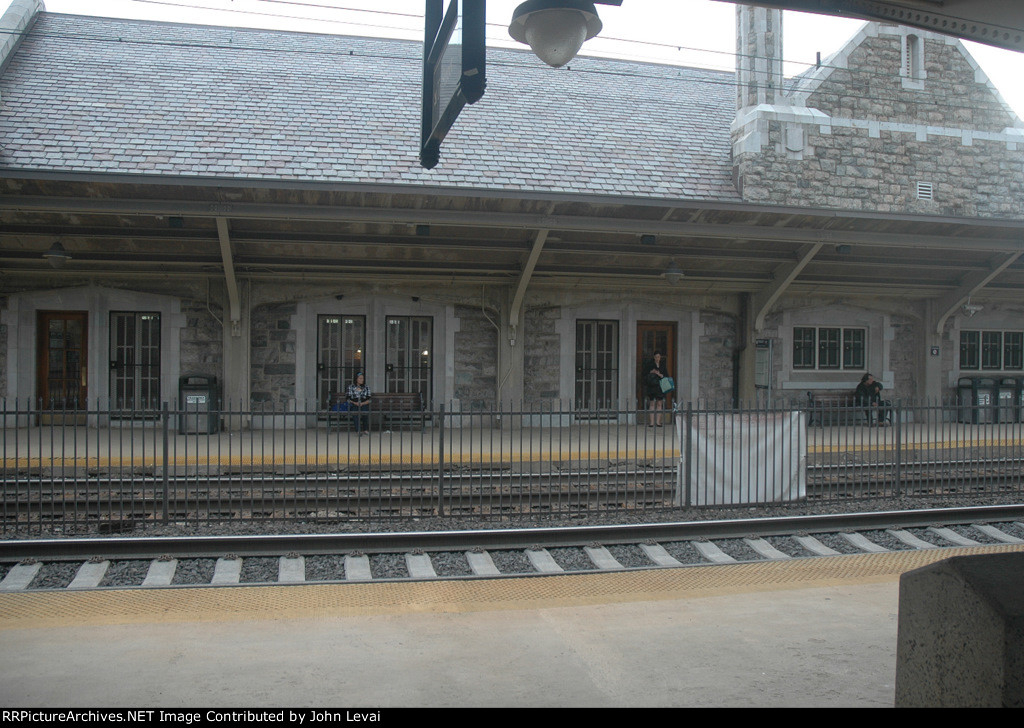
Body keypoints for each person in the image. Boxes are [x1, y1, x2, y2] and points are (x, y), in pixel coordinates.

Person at [642, 351, 670, 427]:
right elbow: (644, 374)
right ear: (654, 357)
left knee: (659, 403)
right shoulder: (650, 365)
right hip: (652, 386)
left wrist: (659, 374)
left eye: (659, 357)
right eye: (656, 357)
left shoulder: (663, 366)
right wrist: (652, 372)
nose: (657, 358)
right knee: (652, 403)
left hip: (660, 386)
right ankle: (651, 422)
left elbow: (666, 376)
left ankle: (658, 422)